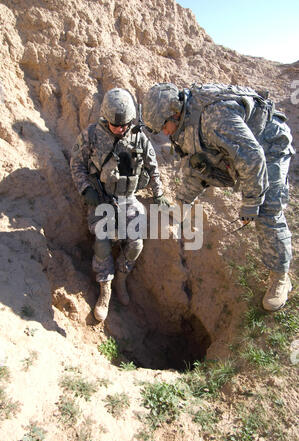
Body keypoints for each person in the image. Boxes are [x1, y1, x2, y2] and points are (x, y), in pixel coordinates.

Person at [142, 82, 296, 312]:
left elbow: (253, 157)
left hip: (268, 145)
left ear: (175, 112)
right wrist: (182, 203)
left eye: (164, 126)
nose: (164, 133)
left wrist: (251, 202)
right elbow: (197, 166)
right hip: (244, 151)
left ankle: (281, 277)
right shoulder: (183, 124)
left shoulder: (215, 118)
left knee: (267, 210)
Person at [70, 88, 169, 322]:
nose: (119, 129)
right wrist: (86, 189)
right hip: (101, 198)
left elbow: (153, 170)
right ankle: (106, 289)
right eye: (115, 125)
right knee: (102, 243)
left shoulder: (138, 138)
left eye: (124, 124)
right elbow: (77, 165)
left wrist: (159, 194)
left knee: (135, 244)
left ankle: (122, 277)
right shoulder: (91, 135)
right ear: (105, 117)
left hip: (127, 198)